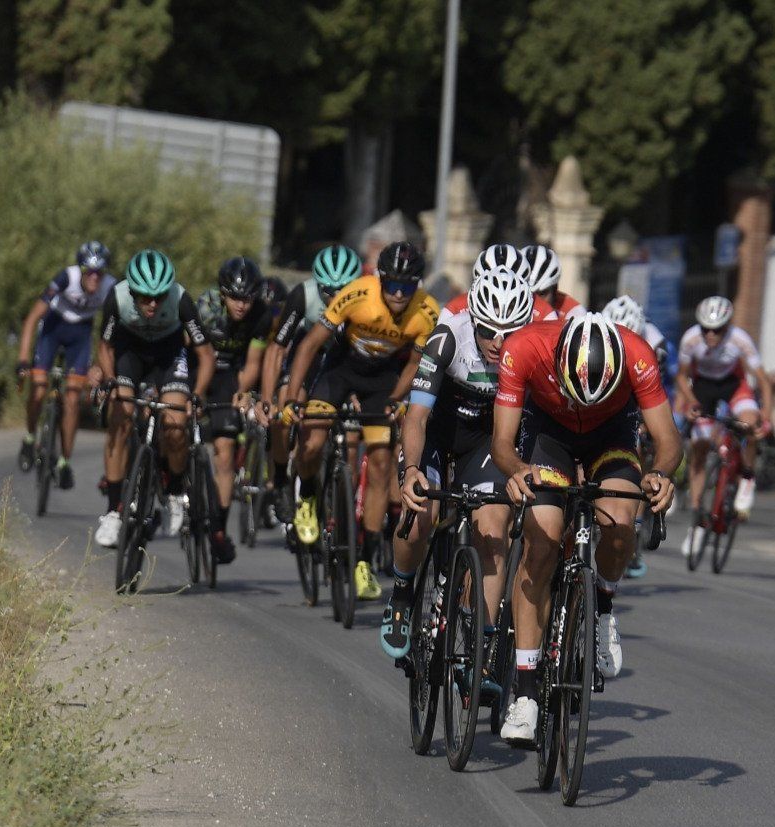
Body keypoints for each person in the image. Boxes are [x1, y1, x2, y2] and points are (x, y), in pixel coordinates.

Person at [491, 313, 681, 744]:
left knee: (619, 520)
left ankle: (605, 608)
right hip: (549, 435)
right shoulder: (524, 348)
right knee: (540, 547)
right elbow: (501, 441)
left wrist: (661, 474)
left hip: (611, 435)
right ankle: (524, 695)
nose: (585, 402)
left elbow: (667, 439)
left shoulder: (637, 355)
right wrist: (518, 470)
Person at [384, 266, 535, 664]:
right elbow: (415, 418)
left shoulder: (530, 349)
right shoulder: (449, 336)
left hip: (485, 443)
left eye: (509, 333)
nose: (498, 343)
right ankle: (401, 591)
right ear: (474, 320)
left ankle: (481, 642)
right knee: (419, 516)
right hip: (436, 433)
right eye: (488, 331)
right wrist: (412, 470)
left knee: (493, 532)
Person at [283, 241, 438, 600]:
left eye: (408, 286)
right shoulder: (357, 294)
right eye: (393, 284)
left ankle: (364, 560)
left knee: (382, 462)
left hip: (383, 380)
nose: (399, 293)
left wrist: (397, 401)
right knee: (315, 438)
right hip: (340, 369)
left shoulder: (427, 311)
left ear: (418, 285)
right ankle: (306, 498)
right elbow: (308, 346)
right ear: (380, 279)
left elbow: (415, 366)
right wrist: (293, 399)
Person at [89, 250, 219, 555]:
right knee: (120, 417)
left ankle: (174, 490)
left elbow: (205, 354)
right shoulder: (117, 297)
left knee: (175, 424)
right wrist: (110, 381)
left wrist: (197, 395)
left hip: (168, 356)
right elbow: (106, 347)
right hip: (129, 354)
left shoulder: (181, 299)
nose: (152, 304)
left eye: (159, 297)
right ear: (132, 291)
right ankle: (113, 512)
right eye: (144, 297)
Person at [261, 246, 361, 525]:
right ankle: (280, 479)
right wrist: (268, 399)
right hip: (309, 355)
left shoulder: (366, 297)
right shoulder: (303, 295)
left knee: (352, 435)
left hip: (345, 358)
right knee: (284, 410)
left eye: (343, 291)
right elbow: (277, 349)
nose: (335, 298)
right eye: (328, 292)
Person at [15, 241, 116, 486]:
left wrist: (102, 367)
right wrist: (22, 360)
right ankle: (30, 438)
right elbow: (32, 319)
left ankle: (64, 461)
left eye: (99, 273)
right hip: (53, 329)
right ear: (80, 270)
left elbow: (114, 332)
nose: (94, 278)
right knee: (38, 388)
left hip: (80, 336)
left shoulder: (110, 287)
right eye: (89, 272)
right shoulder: (65, 278)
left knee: (72, 399)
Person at [674, 296, 774, 538]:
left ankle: (747, 476)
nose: (710, 335)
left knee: (749, 424)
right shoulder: (691, 339)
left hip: (733, 384)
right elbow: (681, 377)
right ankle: (697, 510)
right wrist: (691, 400)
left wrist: (766, 417)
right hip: (703, 387)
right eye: (705, 329)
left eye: (717, 330)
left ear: (727, 327)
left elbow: (763, 381)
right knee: (699, 446)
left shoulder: (739, 339)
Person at [195, 257, 273, 561]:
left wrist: (241, 393)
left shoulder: (261, 316)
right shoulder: (206, 308)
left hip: (230, 374)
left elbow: (253, 363)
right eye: (235, 297)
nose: (241, 305)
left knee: (225, 450)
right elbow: (185, 347)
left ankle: (218, 529)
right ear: (222, 293)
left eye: (247, 298)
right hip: (196, 366)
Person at [601, 294, 667, 579]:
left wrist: (643, 426)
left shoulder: (654, 346)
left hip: (644, 397)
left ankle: (637, 521)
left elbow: (653, 397)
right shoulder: (593, 338)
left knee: (639, 447)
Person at [519, 244, 586, 321]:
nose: (535, 302)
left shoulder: (574, 313)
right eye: (526, 294)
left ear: (554, 290)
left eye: (541, 294)